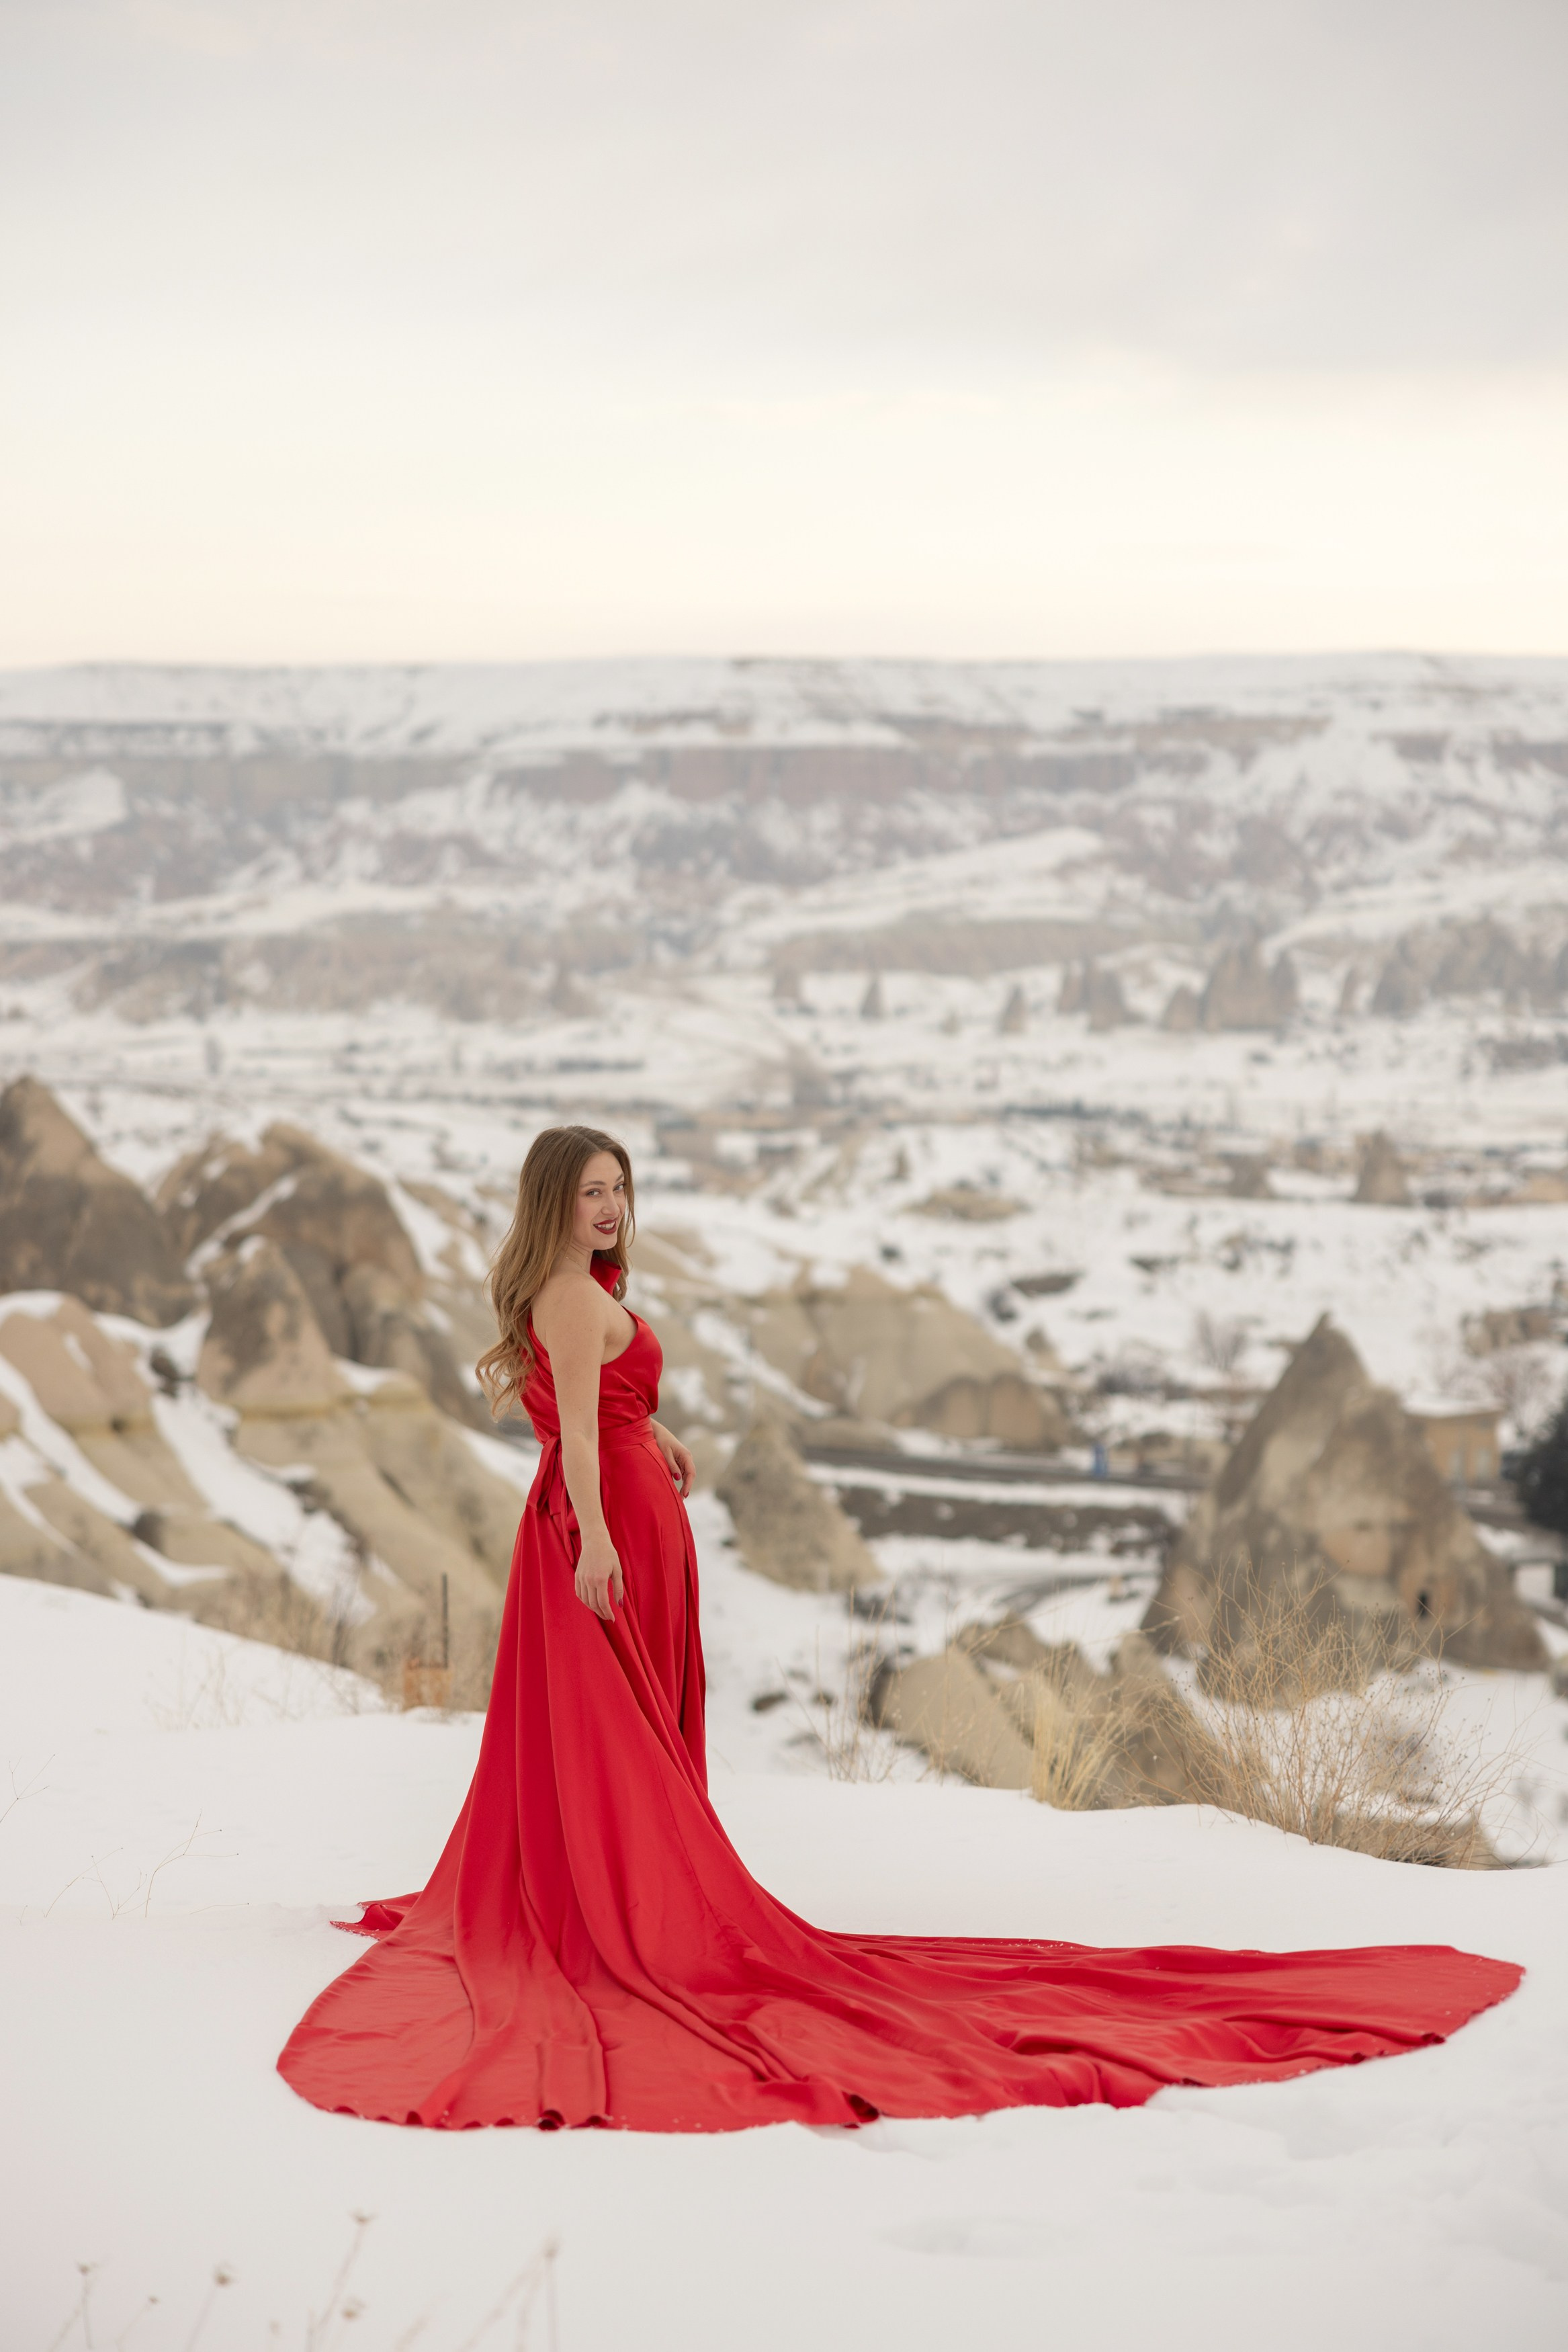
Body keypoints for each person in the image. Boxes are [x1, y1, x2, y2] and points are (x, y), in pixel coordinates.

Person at [277, 1126, 1519, 2133]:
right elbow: (569, 1444)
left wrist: (647, 1432)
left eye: (620, 1189)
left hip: (633, 1519)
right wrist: (598, 1532)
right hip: (598, 1542)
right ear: (552, 1198)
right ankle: (624, 1904)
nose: (610, 1207)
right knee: (615, 1735)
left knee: (636, 1723)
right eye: (591, 1190)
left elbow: (588, 1408)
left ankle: (629, 1882)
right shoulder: (561, 1292)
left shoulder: (592, 1291)